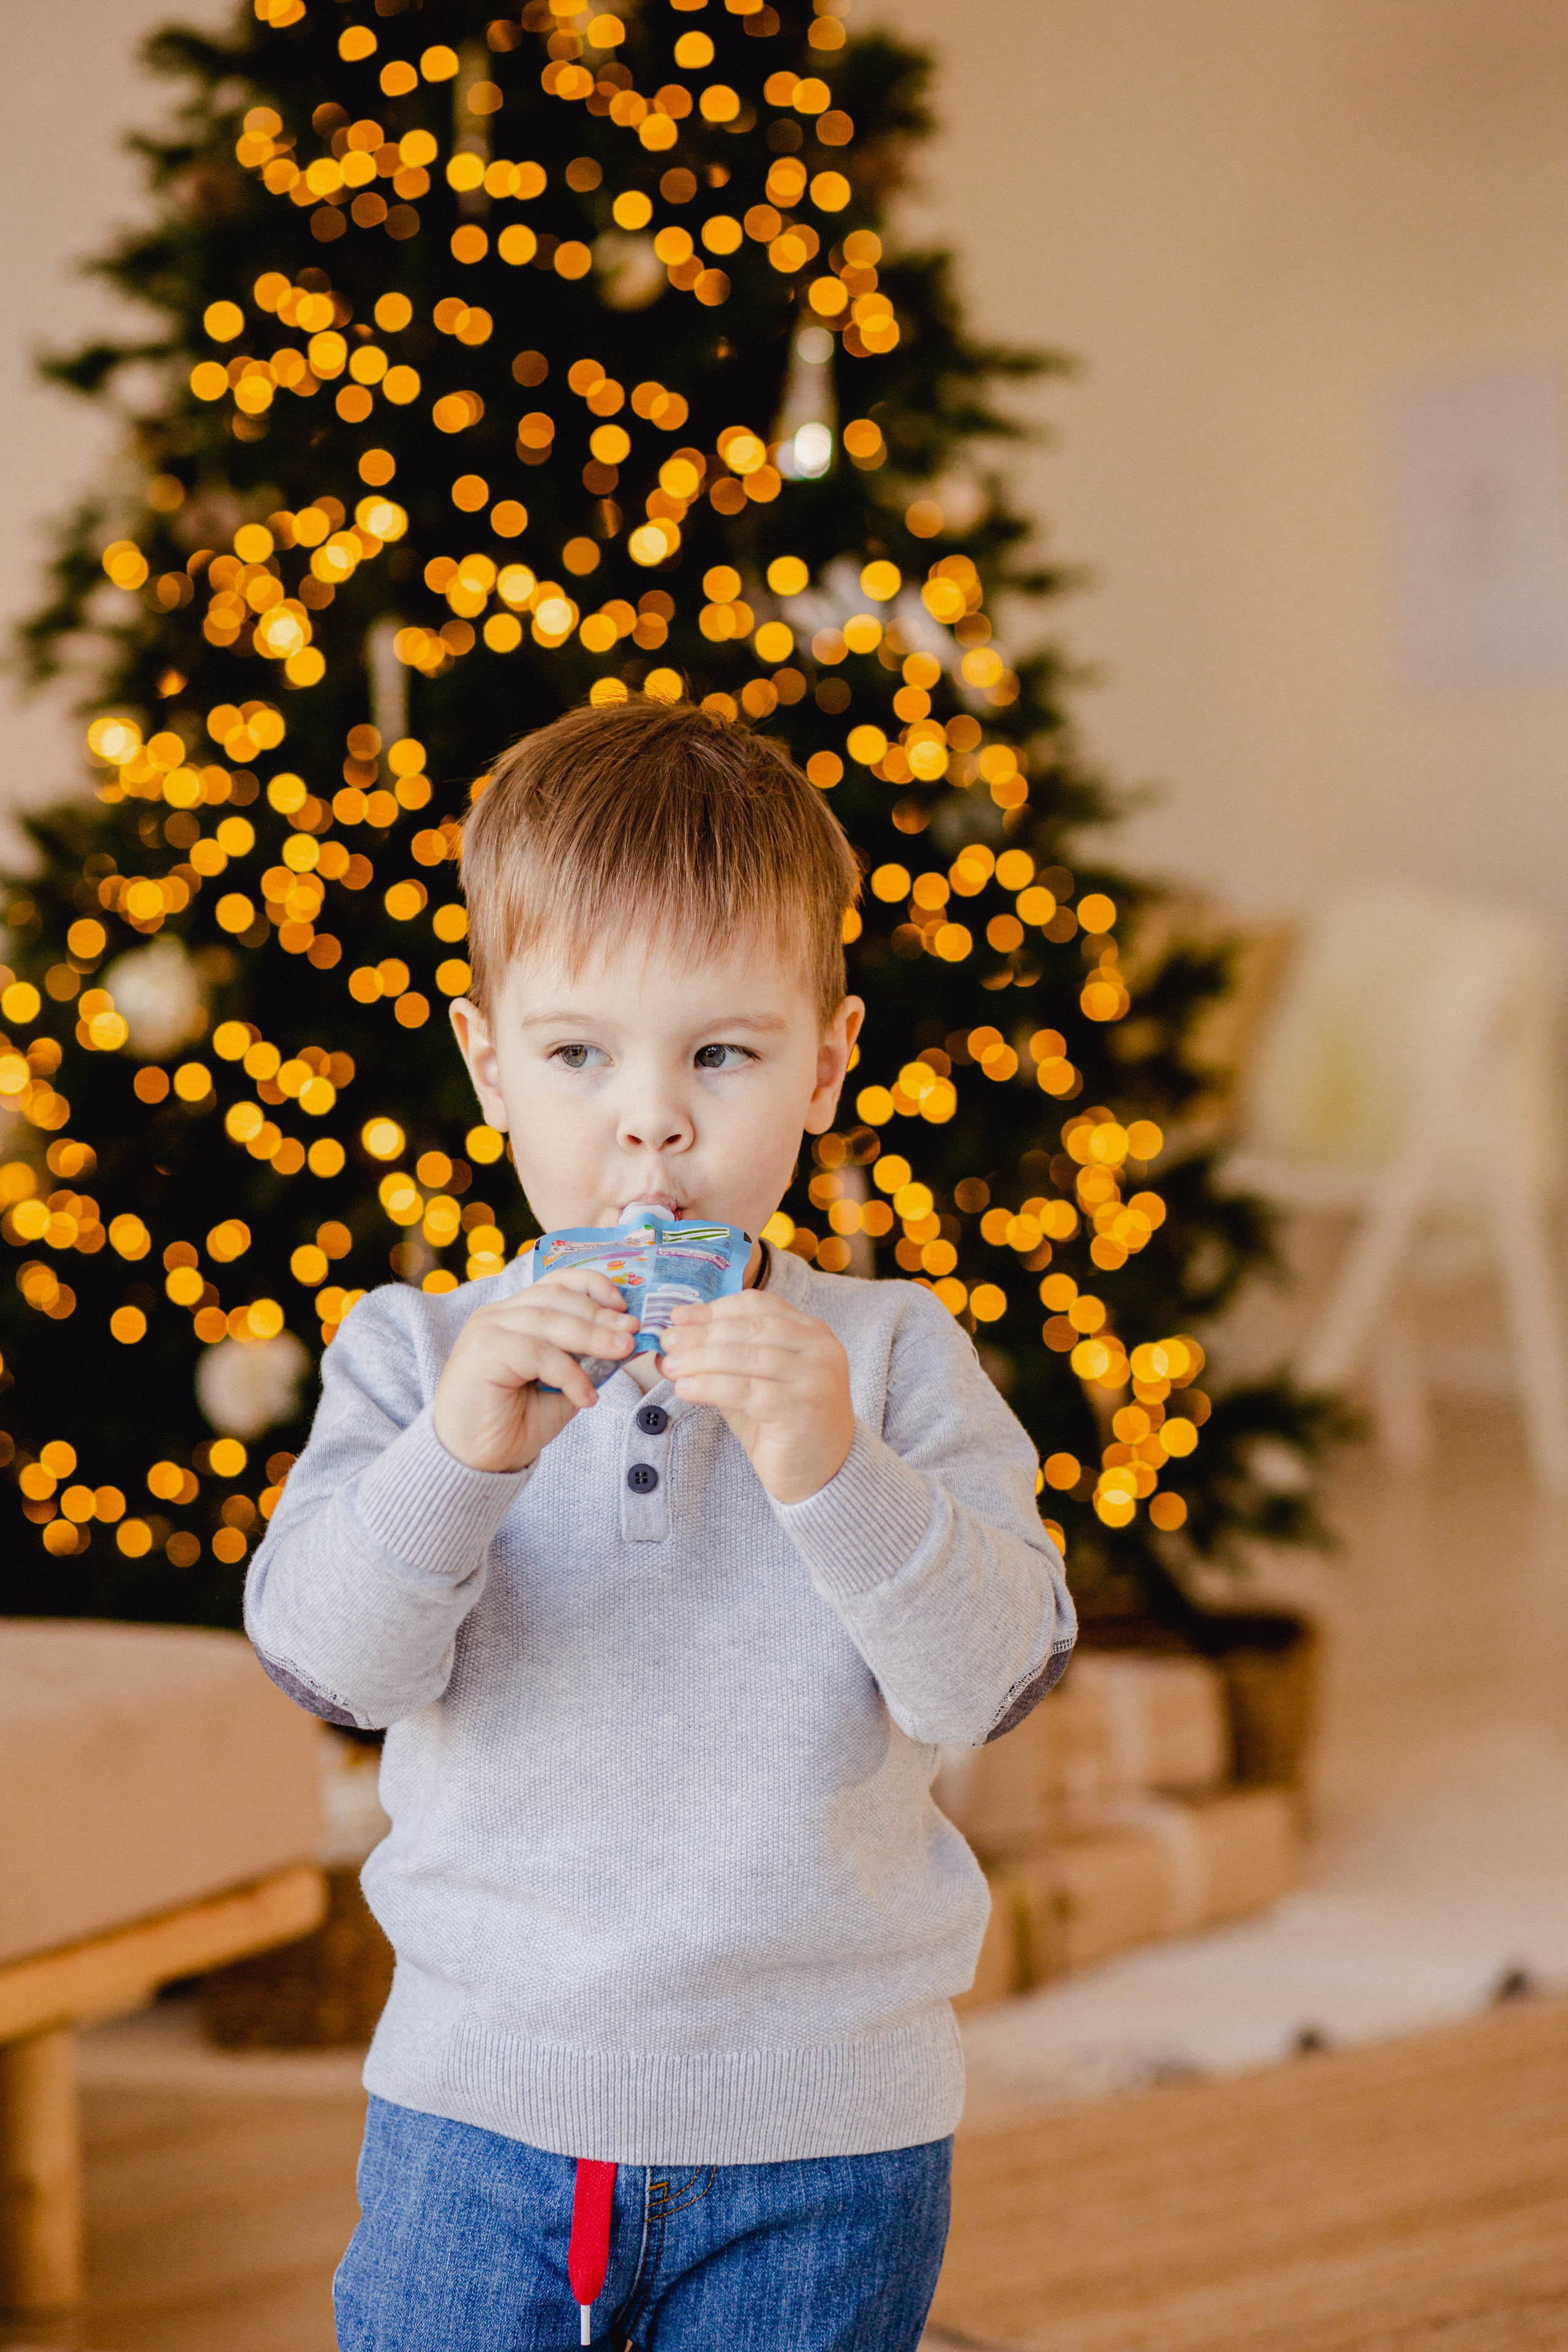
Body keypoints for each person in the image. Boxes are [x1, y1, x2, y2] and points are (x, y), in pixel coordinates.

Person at [246, 697, 1076, 2351]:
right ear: (487, 1063)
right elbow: (331, 1669)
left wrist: (835, 1467)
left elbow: (989, 1682)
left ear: (827, 1061)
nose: (653, 1121)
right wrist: (460, 1459)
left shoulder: (891, 1355)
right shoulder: (415, 1356)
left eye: (721, 1052)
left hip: (825, 2133)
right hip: (475, 2113)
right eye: (579, 1054)